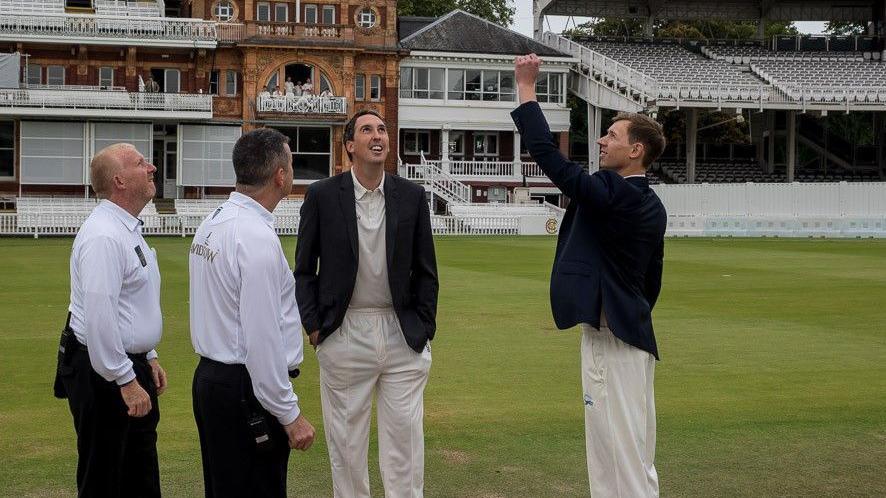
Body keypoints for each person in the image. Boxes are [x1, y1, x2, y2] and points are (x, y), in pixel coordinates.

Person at [511, 54, 667, 498]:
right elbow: (649, 280)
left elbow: (548, 157)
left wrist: (527, 89)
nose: (600, 140)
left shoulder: (618, 193)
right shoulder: (644, 201)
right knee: (606, 454)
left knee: (626, 458)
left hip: (617, 341)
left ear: (636, 150)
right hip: (614, 333)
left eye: (612, 135)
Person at [295, 109, 438, 498]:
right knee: (346, 447)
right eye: (366, 130)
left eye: (382, 129)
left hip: (401, 333)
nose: (377, 136)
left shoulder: (411, 196)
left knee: (406, 446)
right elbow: (304, 270)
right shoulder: (323, 195)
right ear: (349, 146)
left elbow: (427, 271)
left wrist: (424, 328)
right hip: (344, 331)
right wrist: (315, 328)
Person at [189, 128, 316, 497]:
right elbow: (262, 338)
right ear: (280, 175)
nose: (291, 171)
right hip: (245, 390)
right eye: (290, 164)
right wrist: (290, 415)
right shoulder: (255, 237)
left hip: (214, 381)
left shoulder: (215, 220)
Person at [54, 143, 167, 497]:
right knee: (105, 477)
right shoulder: (103, 235)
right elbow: (99, 317)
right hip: (104, 372)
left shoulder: (125, 227)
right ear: (119, 180)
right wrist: (125, 379)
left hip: (124, 365)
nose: (151, 168)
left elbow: (130, 303)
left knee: (139, 474)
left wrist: (148, 355)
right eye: (140, 163)